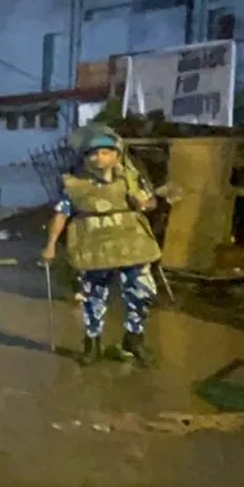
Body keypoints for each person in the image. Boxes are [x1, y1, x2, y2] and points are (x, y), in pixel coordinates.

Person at [39, 131, 160, 366]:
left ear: (116, 156)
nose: (99, 158)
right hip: (93, 245)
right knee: (94, 297)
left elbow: (151, 201)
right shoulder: (75, 186)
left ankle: (134, 337)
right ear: (85, 159)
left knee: (143, 293)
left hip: (130, 244)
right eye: (93, 154)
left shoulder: (131, 179)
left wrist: (144, 204)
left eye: (105, 153)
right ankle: (92, 344)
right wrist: (51, 245)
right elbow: (61, 214)